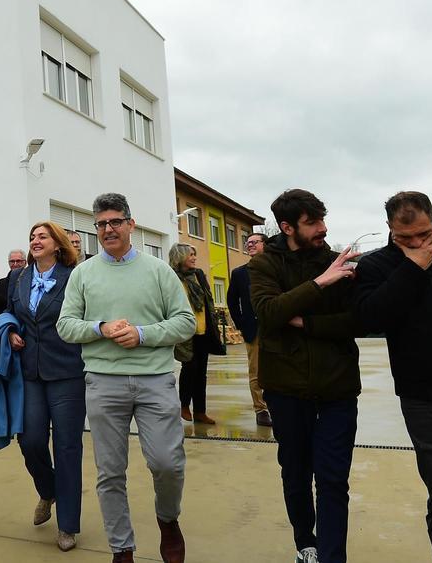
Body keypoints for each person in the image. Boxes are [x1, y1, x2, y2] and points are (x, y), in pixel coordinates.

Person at [57, 193, 195, 563]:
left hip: (155, 379)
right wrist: (101, 328)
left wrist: (143, 334)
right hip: (103, 382)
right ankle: (122, 548)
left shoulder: (158, 271)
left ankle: (168, 520)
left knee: (167, 463)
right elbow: (66, 325)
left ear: (131, 224)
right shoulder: (83, 274)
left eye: (115, 221)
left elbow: (186, 322)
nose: (108, 229)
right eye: (101, 223)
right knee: (110, 471)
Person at [249, 189, 361, 563]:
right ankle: (306, 544)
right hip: (286, 389)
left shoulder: (338, 262)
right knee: (295, 472)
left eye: (322, 220)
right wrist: (321, 283)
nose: (323, 229)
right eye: (312, 222)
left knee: (332, 479)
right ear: (287, 227)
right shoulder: (265, 265)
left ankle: (332, 556)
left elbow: (356, 320)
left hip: (338, 386)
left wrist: (305, 321)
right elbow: (268, 313)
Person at [354, 191, 432, 561]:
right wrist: (413, 267)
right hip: (422, 395)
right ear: (390, 230)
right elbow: (367, 318)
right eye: (406, 239)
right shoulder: (377, 266)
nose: (418, 244)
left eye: (425, 234)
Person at [5, 221, 84, 552]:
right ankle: (48, 490)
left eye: (43, 236)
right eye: (32, 237)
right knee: (30, 440)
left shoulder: (74, 277)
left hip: (67, 370)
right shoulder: (20, 277)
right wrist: (10, 331)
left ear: (57, 243)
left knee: (67, 448)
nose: (35, 241)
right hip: (30, 371)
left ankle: (67, 524)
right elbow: (11, 312)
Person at [168, 244, 220, 425]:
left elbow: (208, 300)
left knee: (202, 373)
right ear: (180, 257)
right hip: (184, 332)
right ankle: (184, 405)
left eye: (194, 254)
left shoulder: (198, 275)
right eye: (191, 254)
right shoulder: (171, 278)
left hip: (203, 331)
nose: (194, 258)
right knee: (189, 370)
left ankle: (200, 411)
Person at [228, 232, 271, 426]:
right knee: (256, 371)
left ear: (265, 244)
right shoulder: (239, 273)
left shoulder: (276, 268)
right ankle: (261, 410)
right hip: (253, 329)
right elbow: (232, 301)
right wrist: (242, 324)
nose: (250, 245)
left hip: (276, 326)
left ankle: (279, 405)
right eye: (248, 243)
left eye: (255, 242)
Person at [0, 248, 27, 318]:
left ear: (25, 262)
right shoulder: (0, 284)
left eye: (18, 261)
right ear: (8, 263)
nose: (15, 264)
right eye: (12, 261)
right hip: (7, 324)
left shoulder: (32, 281)